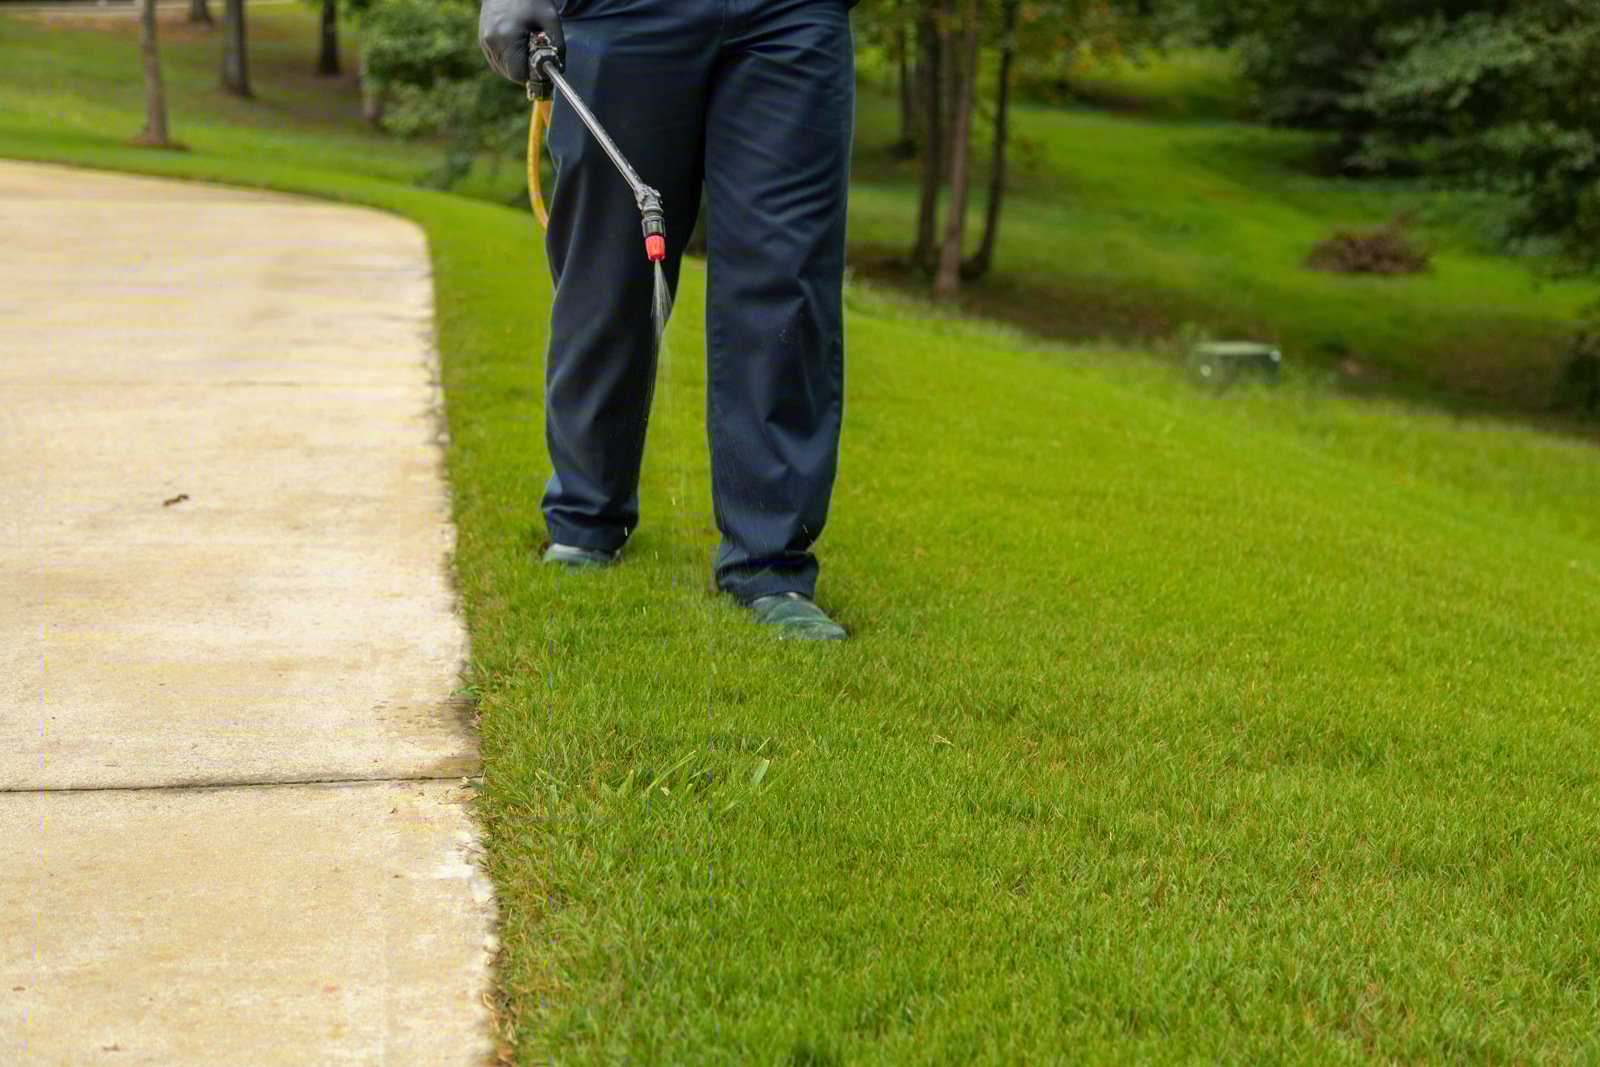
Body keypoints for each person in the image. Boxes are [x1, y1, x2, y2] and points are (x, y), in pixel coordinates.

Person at [478, 0, 856, 642]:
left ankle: (772, 566)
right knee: (607, 269)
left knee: (786, 282)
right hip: (622, 11)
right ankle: (584, 521)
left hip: (792, 15)